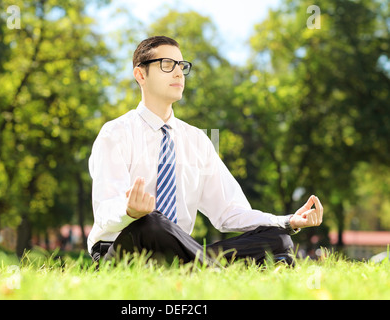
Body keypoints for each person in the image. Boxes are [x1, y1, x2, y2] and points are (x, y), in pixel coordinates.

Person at [87, 36, 323, 266]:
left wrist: (287, 221)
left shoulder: (197, 140)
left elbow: (229, 211)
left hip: (181, 252)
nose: (179, 73)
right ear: (140, 75)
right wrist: (129, 212)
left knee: (278, 239)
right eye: (167, 65)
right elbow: (105, 210)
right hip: (123, 249)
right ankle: (214, 271)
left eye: (181, 66)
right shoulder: (115, 134)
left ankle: (195, 269)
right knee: (151, 222)